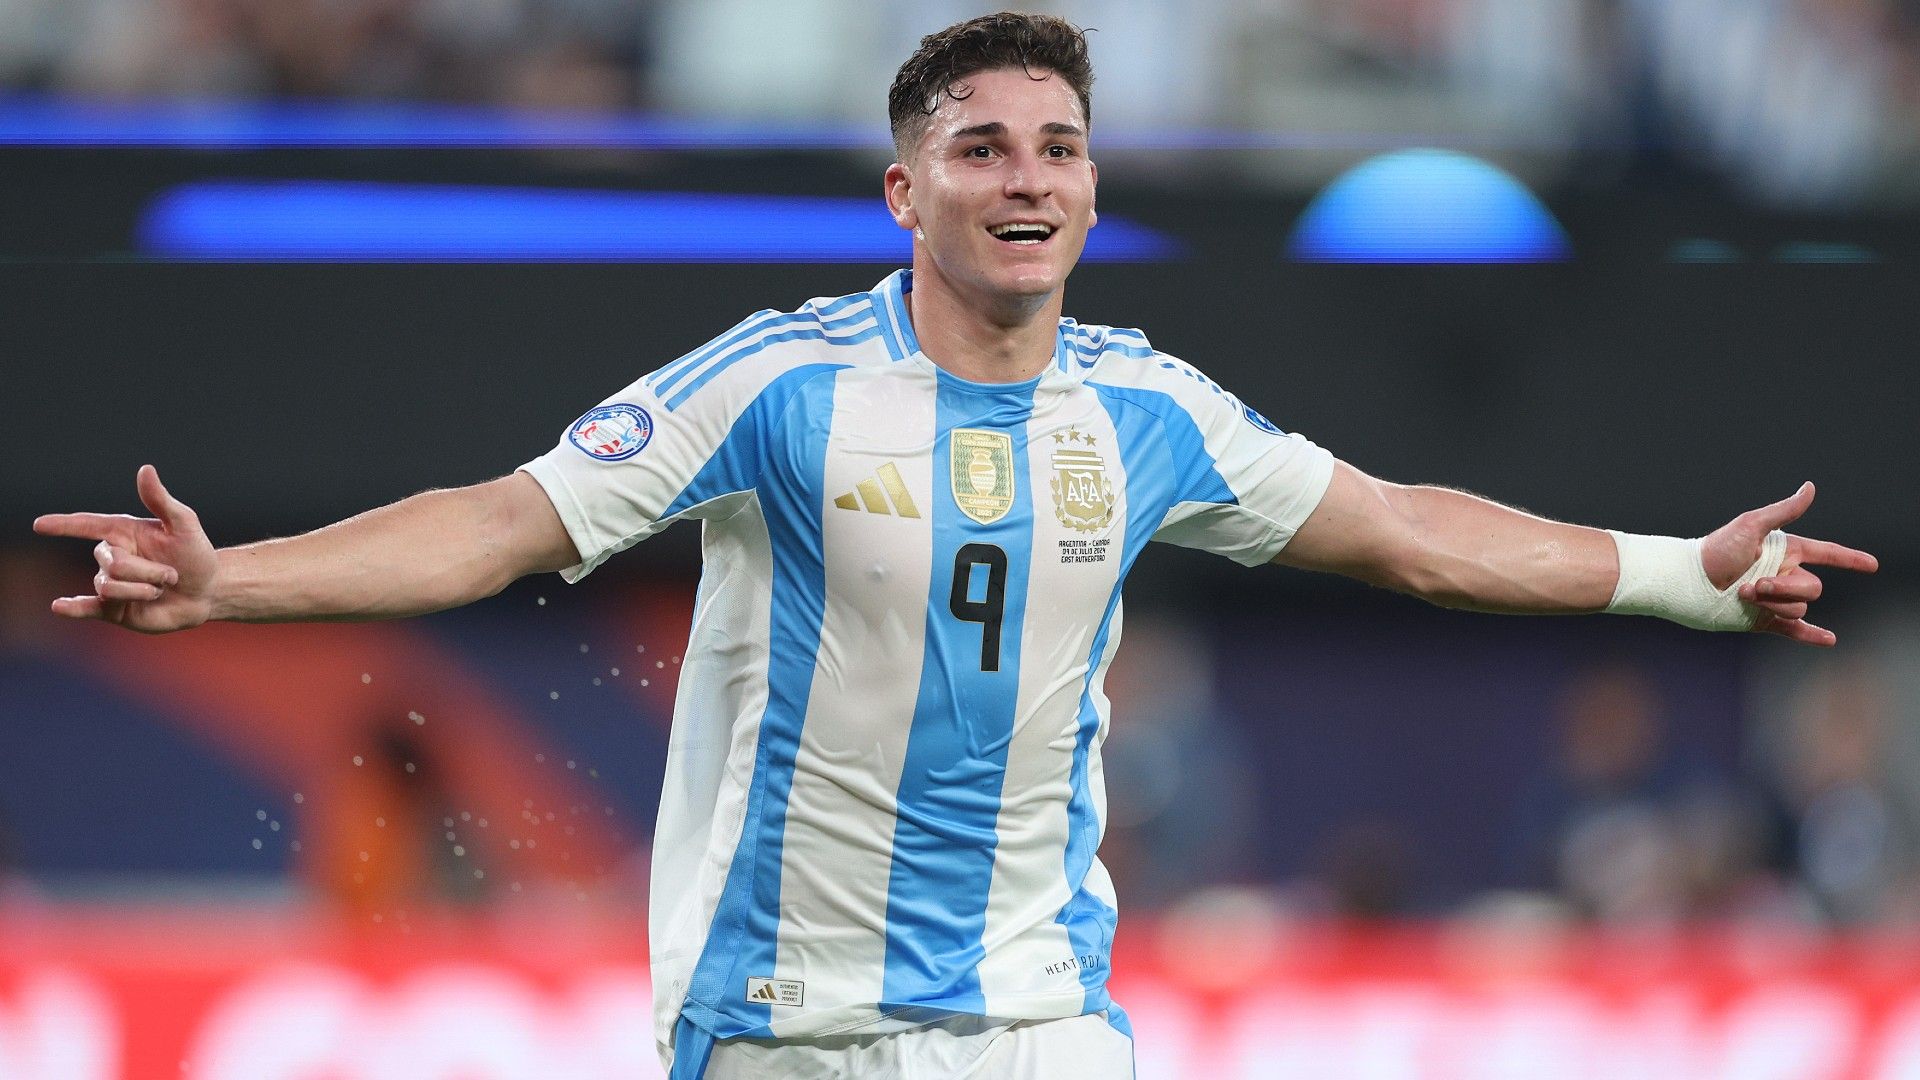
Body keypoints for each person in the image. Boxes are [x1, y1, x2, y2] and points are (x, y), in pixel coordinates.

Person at [31, 12, 1878, 1079]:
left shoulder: (1148, 412)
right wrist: (233, 582)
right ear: (906, 193)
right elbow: (506, 523)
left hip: (1038, 1024)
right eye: (984, 147)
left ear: (1092, 187)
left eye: (1060, 146)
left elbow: (1407, 534)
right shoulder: (775, 383)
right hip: (785, 1029)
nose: (1031, 178)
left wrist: (1668, 571)